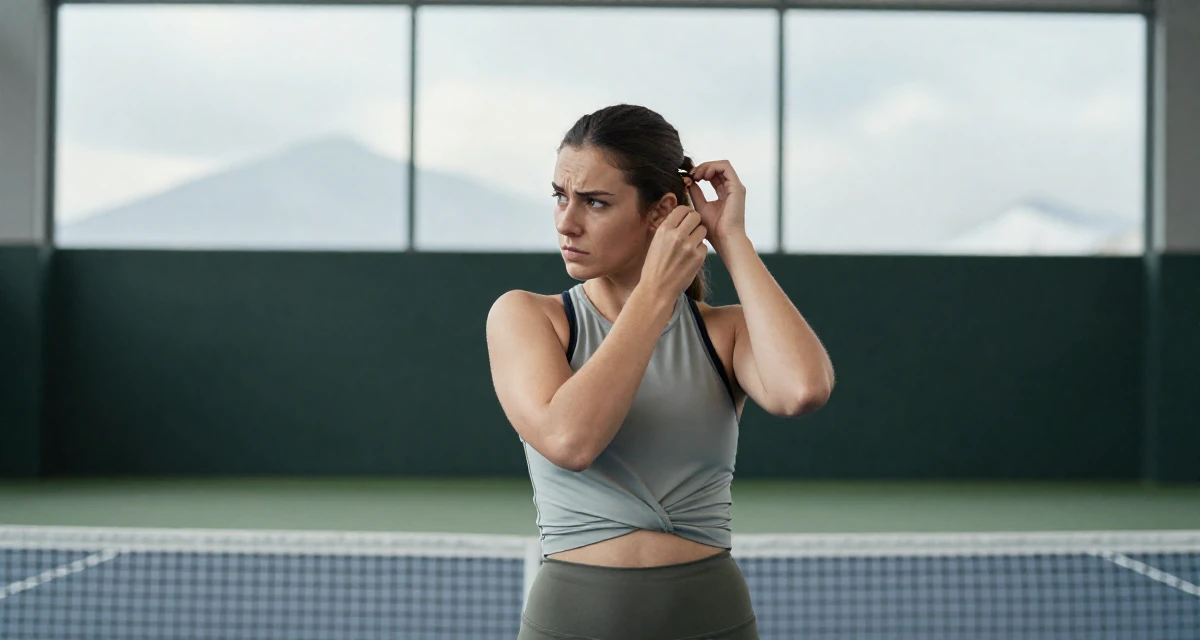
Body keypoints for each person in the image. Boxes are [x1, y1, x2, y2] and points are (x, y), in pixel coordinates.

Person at [486, 104, 835, 640]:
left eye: (595, 202)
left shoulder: (725, 332)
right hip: (573, 621)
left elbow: (803, 390)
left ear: (661, 212)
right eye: (560, 196)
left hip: (712, 618)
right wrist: (655, 291)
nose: (566, 221)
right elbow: (570, 439)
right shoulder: (527, 317)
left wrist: (731, 240)